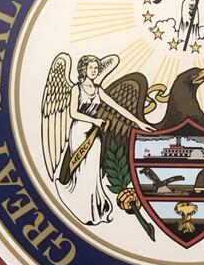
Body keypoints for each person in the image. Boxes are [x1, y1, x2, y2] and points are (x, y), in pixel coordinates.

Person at [54, 54, 152, 226]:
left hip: (95, 133)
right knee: (81, 170)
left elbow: (117, 107)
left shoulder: (98, 90)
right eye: (91, 68)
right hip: (79, 131)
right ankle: (80, 206)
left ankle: (95, 211)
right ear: (83, 70)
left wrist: (138, 122)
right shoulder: (76, 89)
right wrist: (94, 120)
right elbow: (73, 113)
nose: (94, 71)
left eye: (96, 68)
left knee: (92, 170)